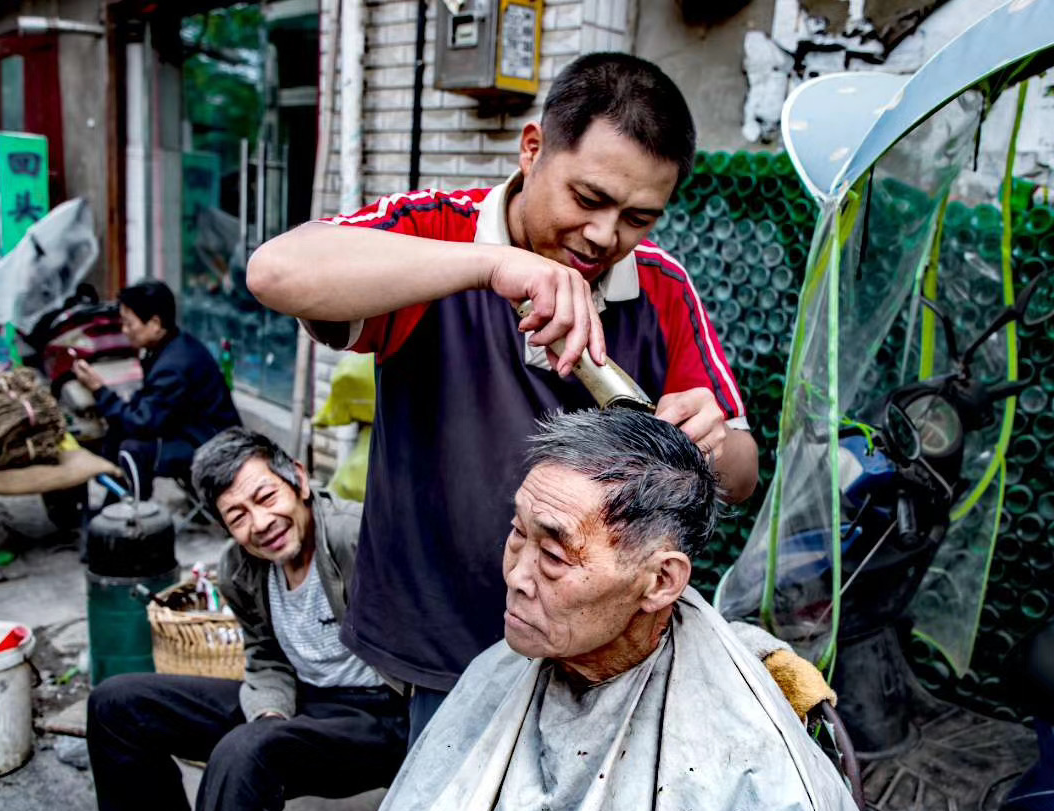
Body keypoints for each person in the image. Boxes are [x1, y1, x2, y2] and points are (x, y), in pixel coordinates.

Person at [246, 53, 760, 737]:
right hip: (440, 644)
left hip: (593, 651)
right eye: (588, 199)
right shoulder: (437, 230)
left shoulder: (663, 287)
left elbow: (743, 476)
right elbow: (276, 271)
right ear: (532, 148)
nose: (606, 236)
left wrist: (712, 443)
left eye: (639, 217)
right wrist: (492, 266)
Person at [349, 409, 881, 811]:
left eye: (553, 557)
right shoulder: (497, 672)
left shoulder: (743, 769)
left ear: (661, 581)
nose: (516, 575)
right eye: (517, 533)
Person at [86, 428, 408, 811]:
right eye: (237, 516)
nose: (260, 523)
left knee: (243, 750)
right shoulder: (238, 568)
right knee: (117, 704)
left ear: (298, 480)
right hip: (306, 702)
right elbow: (265, 656)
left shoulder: (356, 536)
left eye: (266, 497)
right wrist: (270, 714)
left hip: (383, 717)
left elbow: (432, 626)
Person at [72, 280, 240, 500]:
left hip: (213, 444)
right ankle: (113, 507)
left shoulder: (173, 365)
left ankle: (136, 513)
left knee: (133, 449)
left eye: (129, 324)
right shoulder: (168, 346)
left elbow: (143, 423)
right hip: (190, 431)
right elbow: (147, 408)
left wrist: (99, 390)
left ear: (155, 324)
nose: (124, 331)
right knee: (117, 431)